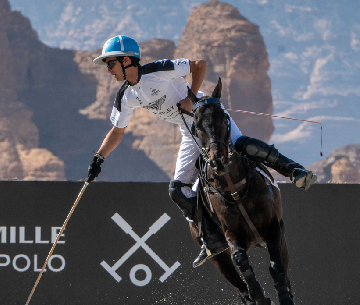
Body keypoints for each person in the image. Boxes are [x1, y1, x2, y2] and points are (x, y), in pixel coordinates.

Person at [86, 35, 316, 268]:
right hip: (189, 132)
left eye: (110, 63)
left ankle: (295, 171)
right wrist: (98, 158)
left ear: (127, 61)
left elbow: (199, 65)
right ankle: (212, 239)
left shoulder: (157, 71)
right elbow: (117, 131)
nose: (108, 70)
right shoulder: (126, 96)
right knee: (177, 190)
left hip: (208, 116)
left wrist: (191, 96)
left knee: (243, 145)